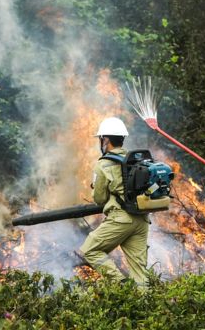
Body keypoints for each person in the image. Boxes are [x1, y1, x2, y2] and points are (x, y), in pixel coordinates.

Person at [79, 117, 150, 288]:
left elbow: (99, 199)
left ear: (106, 140)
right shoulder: (135, 160)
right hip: (141, 219)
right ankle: (145, 307)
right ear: (122, 139)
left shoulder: (104, 164)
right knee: (139, 271)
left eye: (101, 139)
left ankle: (120, 284)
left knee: (89, 250)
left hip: (121, 219)